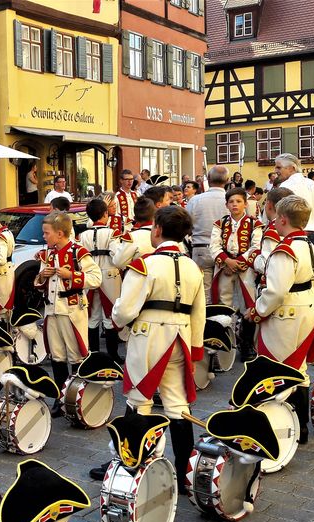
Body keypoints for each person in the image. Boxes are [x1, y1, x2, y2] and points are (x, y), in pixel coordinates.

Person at [90, 206, 204, 490]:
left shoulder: (147, 264)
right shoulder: (192, 267)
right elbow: (199, 312)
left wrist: (117, 320)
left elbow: (125, 310)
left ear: (157, 230)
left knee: (139, 400)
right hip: (181, 335)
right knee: (177, 404)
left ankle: (130, 462)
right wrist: (195, 346)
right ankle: (182, 470)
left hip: (149, 335)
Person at [245, 196, 314, 444]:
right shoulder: (310, 245)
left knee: (276, 369)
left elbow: (276, 291)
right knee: (298, 369)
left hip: (286, 313)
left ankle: (280, 426)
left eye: (277, 217)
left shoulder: (284, 250)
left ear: (284, 219)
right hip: (308, 306)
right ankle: (302, 427)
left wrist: (257, 311)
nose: (275, 221)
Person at [35, 211, 102, 416]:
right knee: (56, 355)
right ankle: (59, 397)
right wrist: (42, 276)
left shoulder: (78, 252)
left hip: (71, 310)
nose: (44, 237)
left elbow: (96, 278)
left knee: (76, 355)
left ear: (61, 233)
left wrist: (71, 275)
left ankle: (79, 397)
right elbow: (38, 284)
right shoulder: (48, 254)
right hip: (52, 310)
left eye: (47, 233)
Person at [210, 187, 262, 360]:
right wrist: (226, 261)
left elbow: (256, 246)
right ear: (226, 205)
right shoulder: (219, 223)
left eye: (239, 201)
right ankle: (226, 342)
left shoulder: (255, 223)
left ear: (245, 204)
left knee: (249, 303)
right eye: (231, 202)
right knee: (224, 303)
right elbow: (214, 246)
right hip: (224, 267)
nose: (235, 205)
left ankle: (247, 344)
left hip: (244, 268)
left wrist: (240, 262)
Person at [80, 199, 123, 365]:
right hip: (109, 274)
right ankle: (113, 355)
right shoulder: (112, 233)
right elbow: (117, 255)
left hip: (90, 273)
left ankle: (94, 354)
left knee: (92, 314)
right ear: (106, 214)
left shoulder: (82, 235)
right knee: (109, 314)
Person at [187, 166, 232, 298]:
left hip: (201, 248)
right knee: (224, 293)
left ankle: (205, 317)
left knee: (203, 294)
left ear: (208, 179)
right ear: (228, 180)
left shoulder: (195, 200)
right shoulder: (232, 200)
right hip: (225, 251)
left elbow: (187, 224)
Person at [272, 154, 314, 240]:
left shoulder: (285, 186)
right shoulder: (312, 184)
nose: (275, 170)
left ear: (292, 168)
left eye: (279, 167)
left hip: (294, 236)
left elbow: (278, 214)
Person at [253, 187, 292, 281]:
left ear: (269, 205)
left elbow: (265, 265)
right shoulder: (293, 225)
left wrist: (253, 255)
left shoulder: (273, 230)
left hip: (276, 281)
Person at [113, 197, 157, 269]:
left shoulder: (132, 237)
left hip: (140, 278)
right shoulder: (165, 232)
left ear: (135, 217)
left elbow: (118, 262)